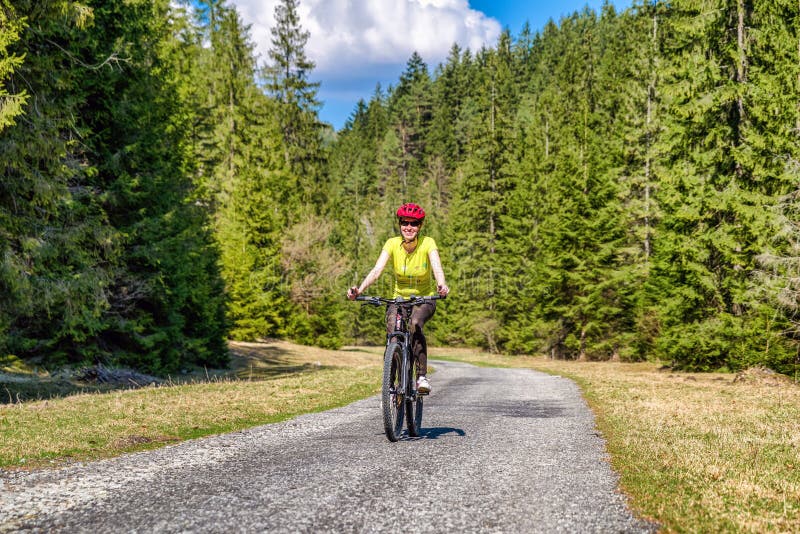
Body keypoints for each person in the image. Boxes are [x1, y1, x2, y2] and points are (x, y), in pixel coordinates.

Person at [347, 203, 449, 394]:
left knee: (415, 323)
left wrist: (442, 285)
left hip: (424, 298)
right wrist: (359, 290)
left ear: (420, 226)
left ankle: (421, 377)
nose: (409, 227)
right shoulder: (392, 243)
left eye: (414, 224)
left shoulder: (428, 243)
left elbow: (437, 268)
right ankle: (390, 384)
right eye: (405, 223)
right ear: (399, 224)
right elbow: (377, 270)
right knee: (394, 330)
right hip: (399, 299)